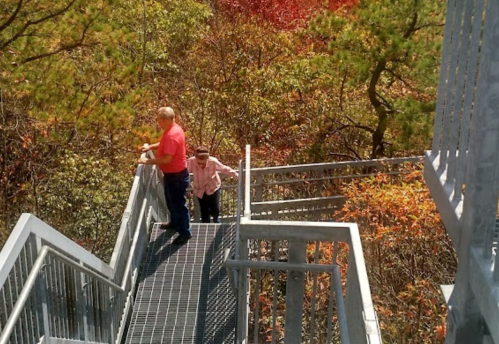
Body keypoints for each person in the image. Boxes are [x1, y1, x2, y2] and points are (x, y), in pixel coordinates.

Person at [138, 107, 192, 245]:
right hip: (173, 175)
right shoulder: (173, 130)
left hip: (176, 176)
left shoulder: (172, 135)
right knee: (171, 202)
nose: (158, 123)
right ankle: (175, 223)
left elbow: (167, 159)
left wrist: (148, 161)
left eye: (159, 120)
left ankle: (185, 233)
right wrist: (150, 147)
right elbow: (164, 145)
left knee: (178, 204)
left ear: (165, 119)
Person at [187, 146, 238, 223]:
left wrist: (237, 176)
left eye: (203, 163)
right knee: (204, 211)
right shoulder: (191, 161)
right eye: (199, 163)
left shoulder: (213, 161)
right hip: (199, 189)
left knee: (215, 208)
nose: (201, 165)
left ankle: (216, 222)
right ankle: (205, 226)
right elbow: (184, 173)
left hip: (213, 187)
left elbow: (224, 169)